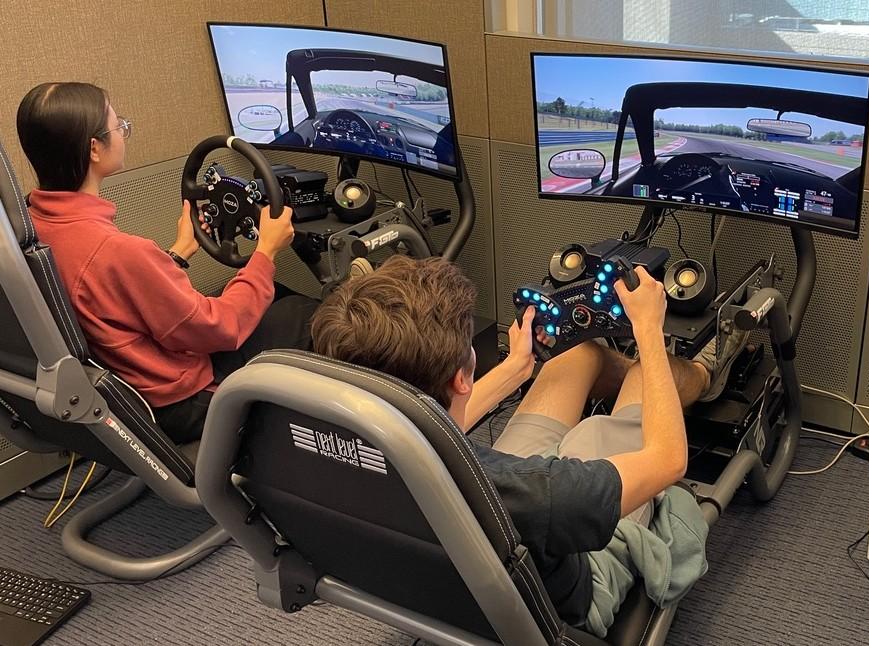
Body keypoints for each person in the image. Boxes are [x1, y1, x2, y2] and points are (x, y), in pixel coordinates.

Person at [310, 254, 743, 632]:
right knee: (642, 382)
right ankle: (699, 375)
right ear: (462, 377)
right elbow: (668, 459)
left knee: (578, 355)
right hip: (567, 590)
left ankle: (644, 371)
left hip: (452, 558)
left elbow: (424, 415)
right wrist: (648, 331)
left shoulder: (331, 443)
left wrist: (518, 367)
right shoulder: (538, 493)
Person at [16, 82, 319, 442]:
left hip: (131, 382)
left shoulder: (31, 224)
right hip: (183, 403)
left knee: (273, 293)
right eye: (119, 126)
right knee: (309, 314)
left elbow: (110, 297)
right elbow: (220, 328)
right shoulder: (116, 250)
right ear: (94, 149)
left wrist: (175, 254)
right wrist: (267, 251)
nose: (124, 133)